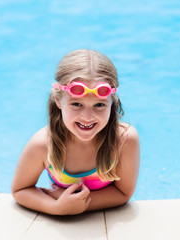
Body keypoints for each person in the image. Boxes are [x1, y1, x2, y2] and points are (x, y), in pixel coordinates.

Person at [11, 49, 140, 215]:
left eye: (99, 105)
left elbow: (123, 193)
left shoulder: (124, 140)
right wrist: (56, 208)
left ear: (111, 103)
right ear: (58, 100)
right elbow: (20, 190)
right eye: (77, 104)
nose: (87, 117)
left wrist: (74, 203)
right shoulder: (43, 145)